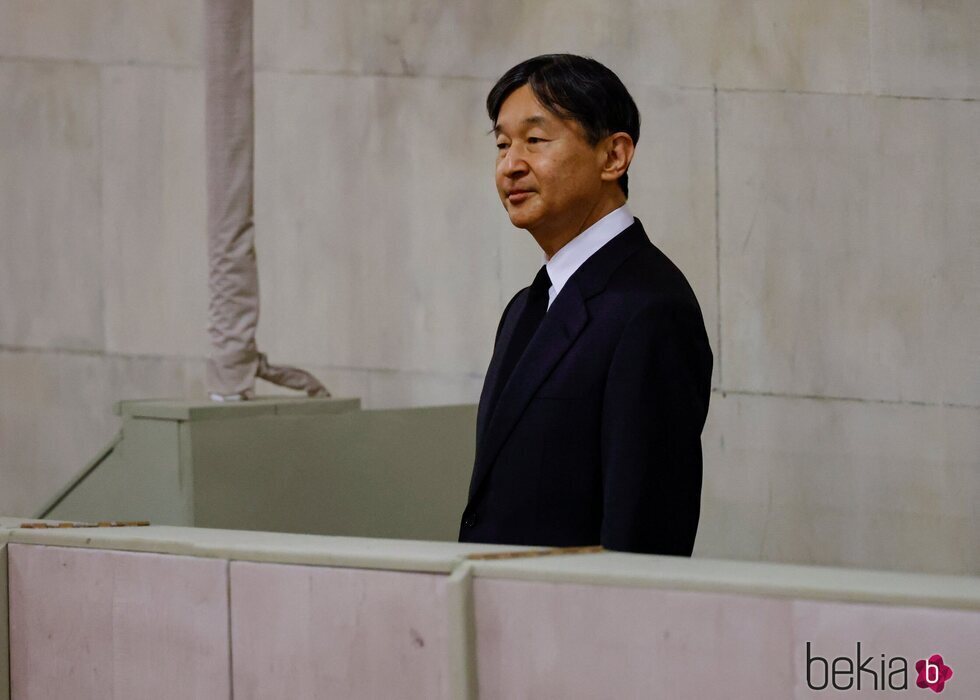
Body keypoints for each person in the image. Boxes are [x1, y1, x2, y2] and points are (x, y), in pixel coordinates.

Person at [458, 54, 713, 556]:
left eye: (535, 140)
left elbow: (646, 535)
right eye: (502, 144)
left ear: (613, 156)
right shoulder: (526, 307)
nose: (511, 164)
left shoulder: (650, 310)